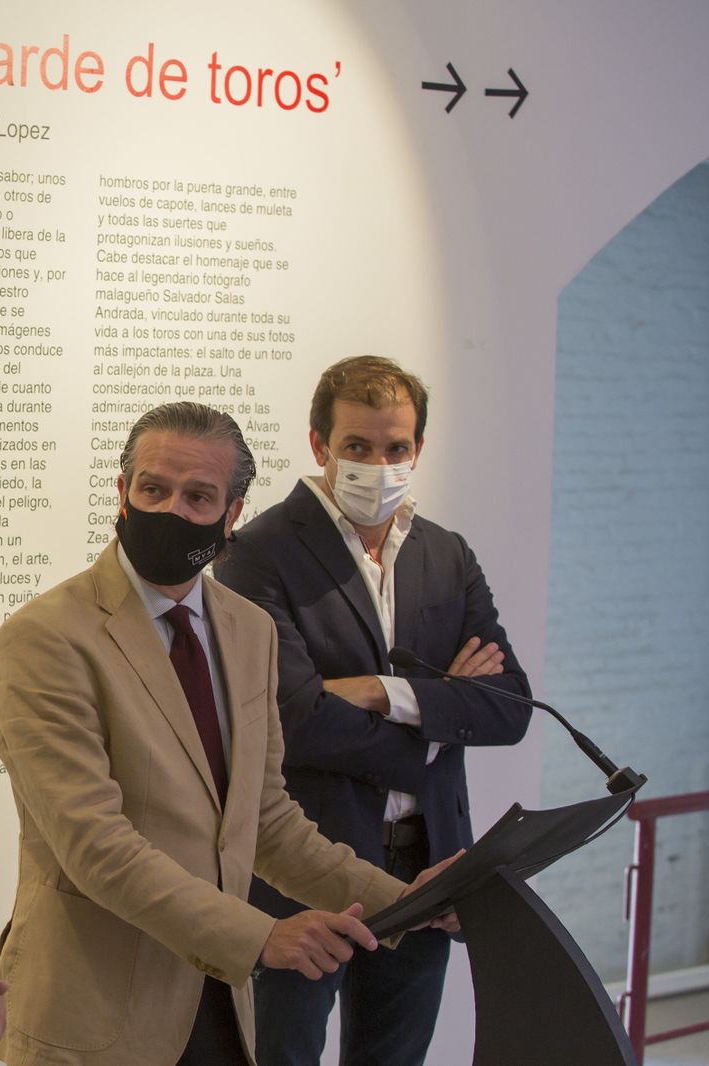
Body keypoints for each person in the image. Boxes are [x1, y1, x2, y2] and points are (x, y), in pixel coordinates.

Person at [0, 402, 460, 1066]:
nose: (171, 509)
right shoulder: (46, 637)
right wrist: (262, 936)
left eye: (198, 496)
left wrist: (410, 903)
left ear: (232, 514)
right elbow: (93, 845)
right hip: (96, 1019)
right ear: (122, 493)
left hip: (220, 1010)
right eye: (153, 489)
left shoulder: (248, 630)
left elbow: (268, 821)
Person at [213, 357, 530, 1065]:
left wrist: (382, 692)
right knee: (278, 1054)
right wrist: (441, 721)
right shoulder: (257, 555)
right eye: (357, 446)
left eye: (396, 448)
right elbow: (295, 719)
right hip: (302, 869)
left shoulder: (447, 555)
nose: (378, 464)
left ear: (418, 449)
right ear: (320, 445)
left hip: (428, 864)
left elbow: (510, 708)